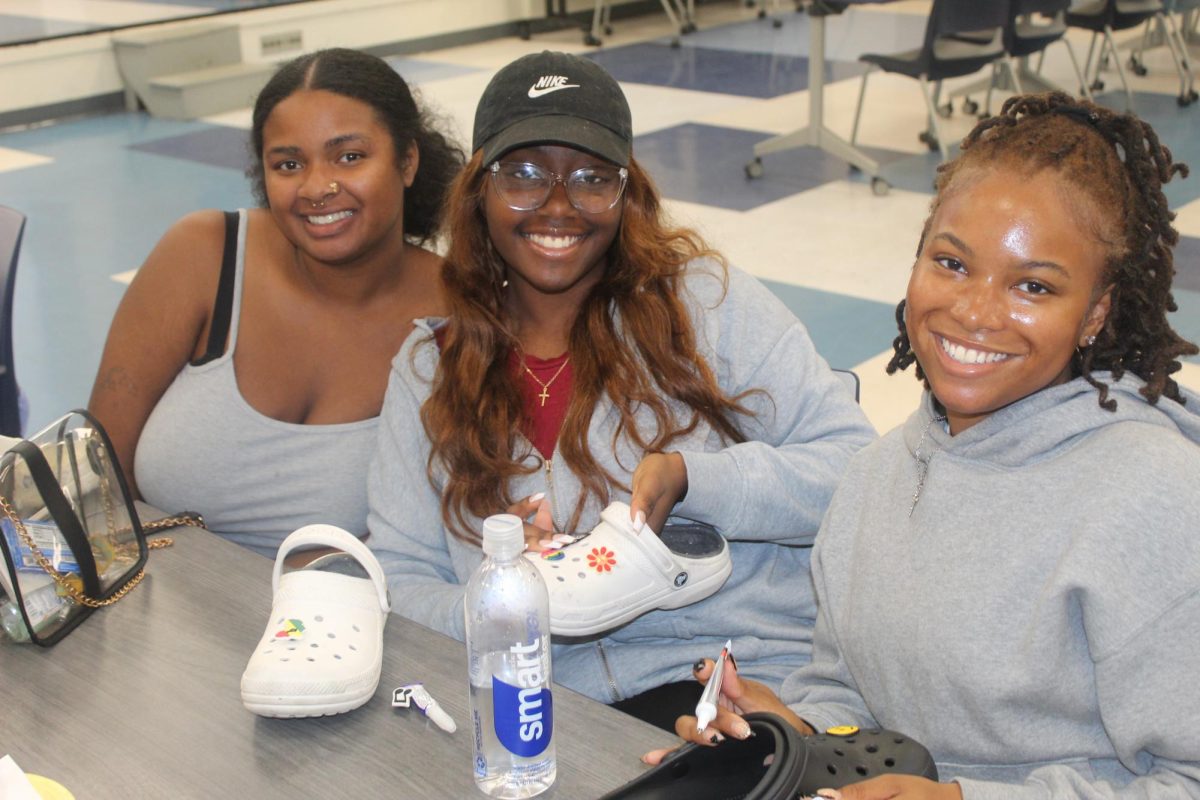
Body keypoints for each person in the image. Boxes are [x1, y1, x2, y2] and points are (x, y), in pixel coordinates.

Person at [652, 93, 1200, 798]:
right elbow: (850, 696)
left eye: (1033, 286)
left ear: (1095, 313)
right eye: (951, 263)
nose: (974, 311)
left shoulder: (1155, 498)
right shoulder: (876, 475)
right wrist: (795, 732)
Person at [366, 50, 876, 729]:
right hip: (544, 704)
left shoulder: (703, 304)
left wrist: (697, 481)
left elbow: (856, 472)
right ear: (478, 190)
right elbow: (399, 578)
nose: (558, 206)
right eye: (523, 174)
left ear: (627, 192)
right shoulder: (430, 367)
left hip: (735, 680)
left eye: (591, 178)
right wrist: (503, 596)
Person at [87, 48, 464, 557]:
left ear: (407, 160)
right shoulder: (205, 255)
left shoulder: (458, 314)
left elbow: (443, 534)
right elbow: (100, 468)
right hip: (150, 584)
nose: (316, 187)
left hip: (342, 603)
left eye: (349, 157)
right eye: (289, 164)